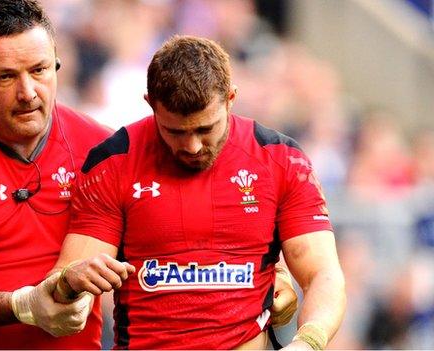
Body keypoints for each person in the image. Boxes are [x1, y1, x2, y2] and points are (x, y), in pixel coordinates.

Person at [0, 1, 298, 349]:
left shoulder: (103, 149)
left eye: (40, 70)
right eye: (5, 77)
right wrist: (22, 305)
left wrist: (267, 274)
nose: (28, 92)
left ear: (58, 64)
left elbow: (188, 217)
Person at [54, 35, 346, 349]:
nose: (192, 146)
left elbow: (323, 274)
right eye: (175, 131)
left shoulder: (282, 160)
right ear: (150, 103)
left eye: (205, 129)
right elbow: (63, 286)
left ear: (231, 98)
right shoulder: (113, 163)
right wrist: (70, 284)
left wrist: (309, 342)